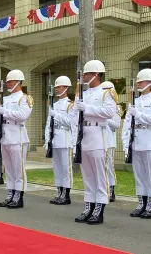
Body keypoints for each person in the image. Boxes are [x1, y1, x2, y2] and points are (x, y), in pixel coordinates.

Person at [69, 60, 116, 225]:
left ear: (96, 74)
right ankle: (88, 207)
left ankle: (99, 209)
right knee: (87, 176)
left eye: (88, 74)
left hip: (98, 135)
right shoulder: (83, 93)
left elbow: (110, 112)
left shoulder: (106, 91)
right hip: (84, 136)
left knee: (99, 176)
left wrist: (87, 109)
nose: (85, 77)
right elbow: (73, 117)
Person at [0, 69, 33, 209]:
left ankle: (19, 196)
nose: (7, 84)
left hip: (18, 137)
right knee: (8, 169)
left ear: (18, 82)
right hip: (5, 136)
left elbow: (22, 115)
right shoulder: (5, 98)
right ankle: (10, 193)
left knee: (18, 168)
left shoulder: (25, 98)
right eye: (7, 81)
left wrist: (6, 112)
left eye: (10, 81)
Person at [122, 68, 151, 218]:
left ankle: (150, 205)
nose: (139, 84)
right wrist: (125, 143)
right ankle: (141, 203)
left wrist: (137, 114)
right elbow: (127, 124)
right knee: (139, 175)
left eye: (142, 81)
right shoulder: (135, 101)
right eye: (138, 82)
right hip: (136, 141)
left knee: (150, 175)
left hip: (149, 141)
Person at [44, 76, 73, 204]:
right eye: (56, 87)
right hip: (55, 140)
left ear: (66, 88)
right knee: (57, 168)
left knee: (66, 168)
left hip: (66, 140)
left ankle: (66, 194)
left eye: (59, 87)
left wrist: (56, 115)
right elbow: (48, 124)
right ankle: (59, 192)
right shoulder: (53, 105)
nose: (57, 89)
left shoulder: (70, 105)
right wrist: (47, 140)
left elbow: (70, 123)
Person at [101, 81, 121, 203]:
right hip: (99, 141)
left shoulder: (116, 107)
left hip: (109, 141)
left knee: (109, 168)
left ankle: (111, 190)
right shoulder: (100, 106)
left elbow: (116, 125)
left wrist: (105, 118)